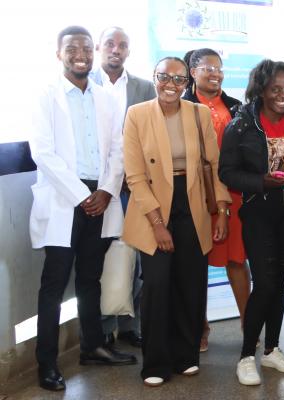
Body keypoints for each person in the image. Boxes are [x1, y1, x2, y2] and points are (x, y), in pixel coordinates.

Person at [30, 26, 135, 392]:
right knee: (54, 283)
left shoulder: (105, 98)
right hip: (65, 197)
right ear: (59, 54)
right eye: (72, 48)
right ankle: (46, 363)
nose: (81, 55)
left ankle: (92, 346)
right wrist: (81, 195)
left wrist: (105, 190)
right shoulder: (46, 96)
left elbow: (119, 149)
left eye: (87, 49)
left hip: (100, 197)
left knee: (90, 278)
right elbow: (42, 152)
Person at [121, 56, 231, 386]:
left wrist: (222, 209)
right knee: (156, 285)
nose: (171, 85)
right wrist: (157, 223)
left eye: (179, 79)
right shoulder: (137, 114)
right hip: (152, 205)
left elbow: (214, 164)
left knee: (191, 282)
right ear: (154, 77)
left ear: (188, 83)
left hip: (192, 201)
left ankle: (185, 356)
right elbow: (135, 175)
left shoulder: (198, 113)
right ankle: (156, 363)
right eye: (164, 77)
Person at [220, 59, 284, 386]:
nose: (283, 95)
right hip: (258, 211)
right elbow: (227, 172)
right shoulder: (241, 124)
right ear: (261, 90)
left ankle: (272, 350)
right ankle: (247, 356)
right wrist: (262, 181)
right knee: (265, 283)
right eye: (276, 89)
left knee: (280, 284)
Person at [90, 26, 155, 350]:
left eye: (122, 45)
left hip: (133, 187)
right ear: (99, 47)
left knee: (136, 258)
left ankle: (131, 325)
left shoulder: (144, 88)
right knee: (100, 259)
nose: (116, 49)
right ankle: (102, 329)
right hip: (96, 189)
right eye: (110, 44)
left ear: (129, 51)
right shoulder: (84, 83)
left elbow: (151, 136)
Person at [183, 47, 248, 353]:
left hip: (232, 194)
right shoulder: (181, 105)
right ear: (192, 72)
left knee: (237, 259)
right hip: (194, 194)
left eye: (219, 69)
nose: (215, 74)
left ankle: (249, 323)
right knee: (195, 265)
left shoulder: (236, 107)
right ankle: (200, 327)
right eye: (207, 68)